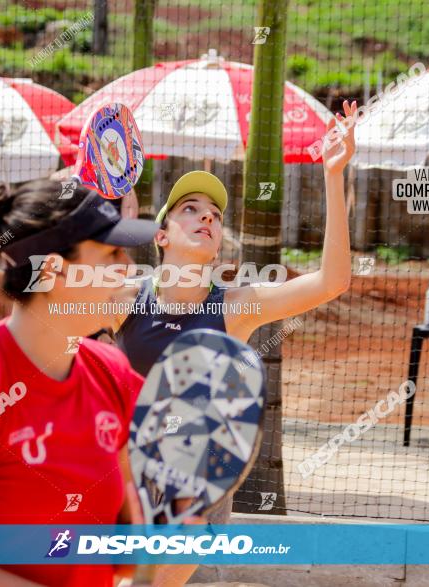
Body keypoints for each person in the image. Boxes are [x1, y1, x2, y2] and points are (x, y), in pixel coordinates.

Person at [109, 101, 357, 586]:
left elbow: (332, 281)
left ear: (218, 241)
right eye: (190, 209)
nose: (207, 218)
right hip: (126, 483)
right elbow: (49, 310)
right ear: (161, 235)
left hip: (197, 487)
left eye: (214, 214)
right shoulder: (125, 299)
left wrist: (333, 175)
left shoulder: (234, 307)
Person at [0, 173, 181, 586]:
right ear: (52, 271)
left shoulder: (112, 373)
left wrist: (178, 522)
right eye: (111, 253)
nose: (129, 268)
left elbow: (126, 553)